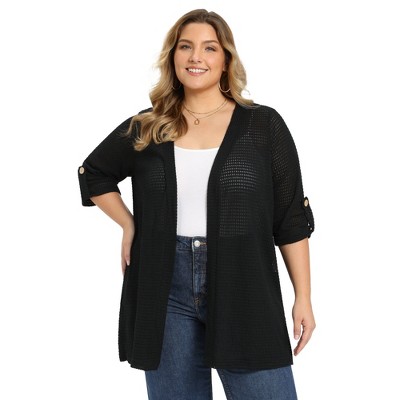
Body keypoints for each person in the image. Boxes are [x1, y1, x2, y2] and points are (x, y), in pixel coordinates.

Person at [78, 8, 315, 400]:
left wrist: (302, 297)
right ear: (173, 57)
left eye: (209, 48)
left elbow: (290, 218)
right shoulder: (149, 125)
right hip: (164, 285)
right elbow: (94, 173)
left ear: (225, 60)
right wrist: (130, 224)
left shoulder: (262, 126)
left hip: (245, 281)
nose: (196, 57)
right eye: (185, 47)